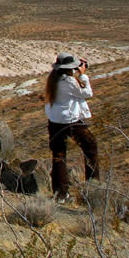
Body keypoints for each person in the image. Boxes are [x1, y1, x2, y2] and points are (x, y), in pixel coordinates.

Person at [45, 52, 99, 203]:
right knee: (91, 148)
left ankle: (60, 193)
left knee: (59, 155)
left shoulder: (54, 79)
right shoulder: (68, 81)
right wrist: (83, 75)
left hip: (55, 121)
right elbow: (87, 93)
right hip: (70, 121)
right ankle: (93, 188)